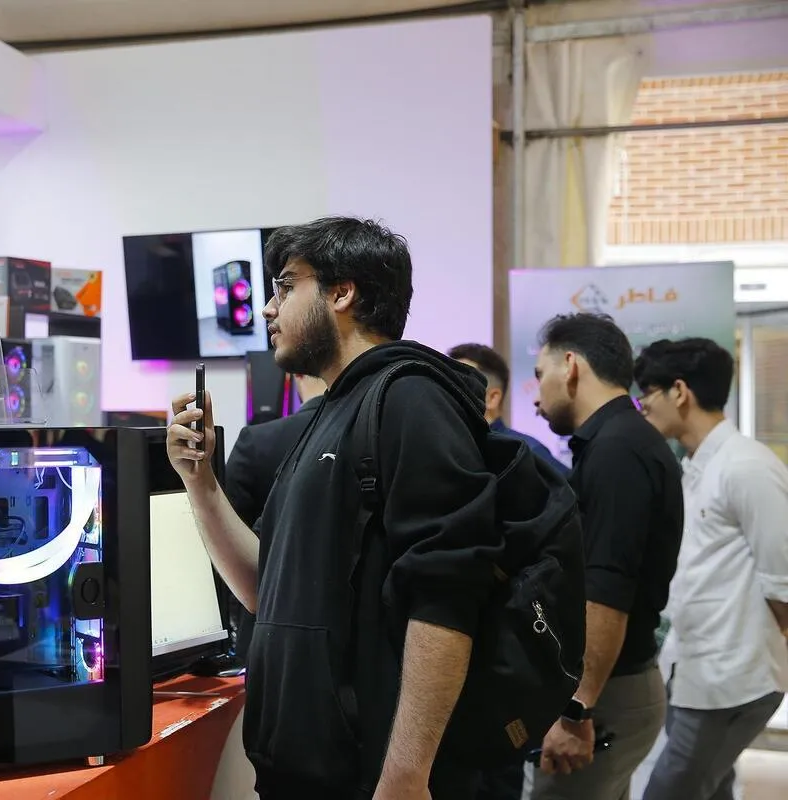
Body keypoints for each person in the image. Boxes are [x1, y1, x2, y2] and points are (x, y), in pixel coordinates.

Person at [166, 216, 502, 800]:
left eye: (285, 287)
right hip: (302, 771)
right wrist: (201, 484)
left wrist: (406, 774)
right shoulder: (330, 413)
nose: (268, 309)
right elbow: (264, 587)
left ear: (342, 293)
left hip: (372, 778)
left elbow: (447, 598)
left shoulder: (410, 399)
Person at [528, 313, 684, 800]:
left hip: (607, 689)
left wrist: (578, 708)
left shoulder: (619, 450)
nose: (535, 395)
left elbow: (607, 590)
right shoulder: (617, 442)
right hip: (609, 685)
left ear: (571, 365)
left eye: (540, 374)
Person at [633, 337, 788, 800]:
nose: (643, 406)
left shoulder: (747, 466)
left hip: (731, 680)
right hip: (693, 671)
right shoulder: (697, 465)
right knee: (713, 790)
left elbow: (783, 583)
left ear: (679, 392)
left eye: (647, 394)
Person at [224, 373, 327, 660]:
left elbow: (225, 546)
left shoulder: (256, 442)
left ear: (297, 374)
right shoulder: (375, 433)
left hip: (265, 635)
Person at [448, 343, 570, 478]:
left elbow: (569, 488)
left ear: (492, 398)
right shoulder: (445, 451)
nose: (447, 393)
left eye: (459, 384)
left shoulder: (524, 453)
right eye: (445, 384)